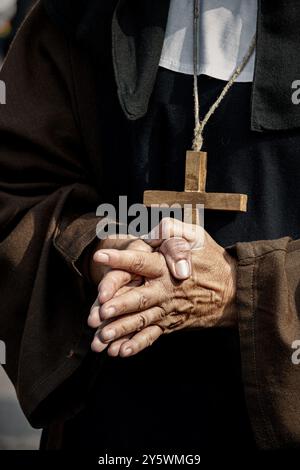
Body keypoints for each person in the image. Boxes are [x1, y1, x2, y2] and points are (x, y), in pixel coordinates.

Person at [0, 0, 300, 452]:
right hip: (115, 423)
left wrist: (244, 288)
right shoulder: (78, 15)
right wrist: (97, 251)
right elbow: (18, 186)